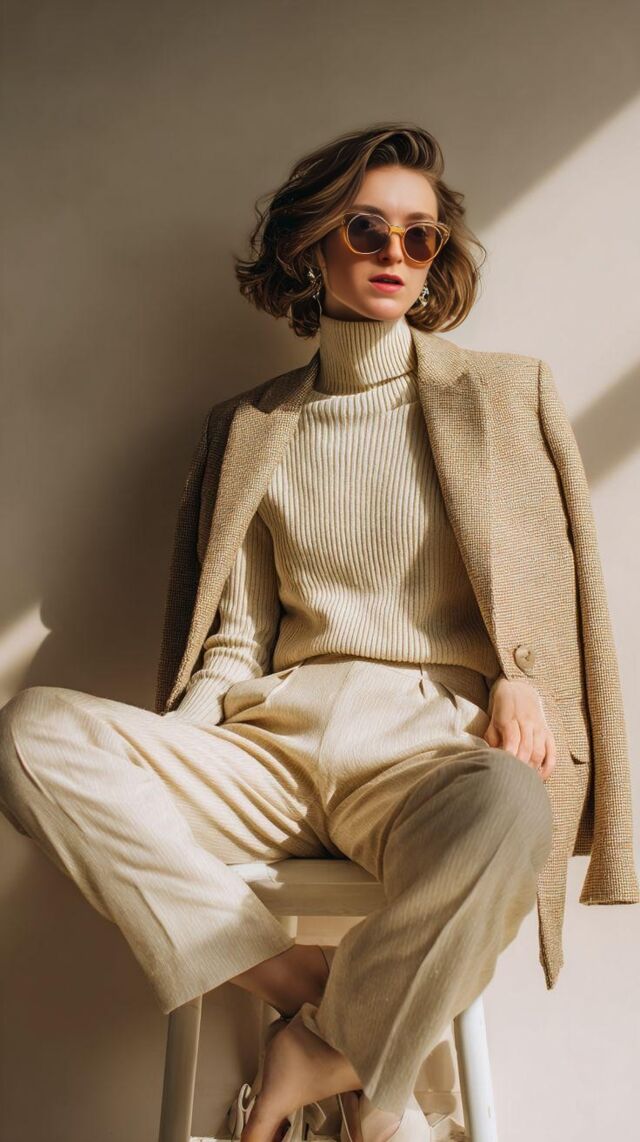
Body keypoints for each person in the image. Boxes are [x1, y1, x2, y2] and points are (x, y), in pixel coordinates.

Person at [0, 123, 634, 1142]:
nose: (395, 253)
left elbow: (549, 591)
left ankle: (320, 1049)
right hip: (273, 746)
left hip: (430, 752)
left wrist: (522, 681)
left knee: (514, 804)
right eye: (366, 228)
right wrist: (181, 741)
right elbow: (235, 638)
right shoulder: (251, 426)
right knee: (30, 733)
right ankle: (317, 999)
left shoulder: (505, 393)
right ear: (310, 246)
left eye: (420, 236)